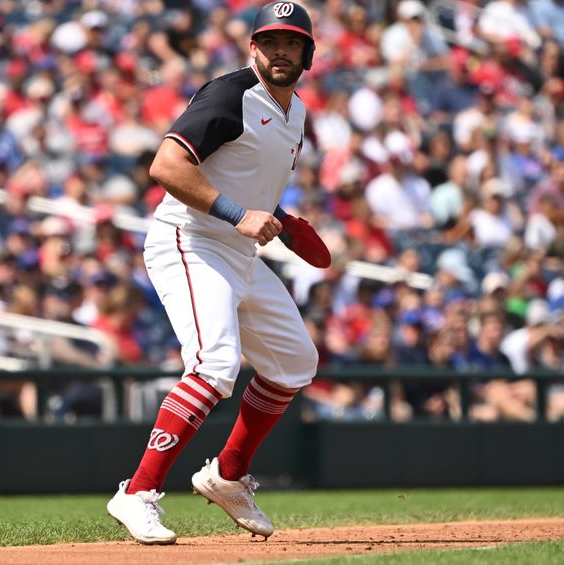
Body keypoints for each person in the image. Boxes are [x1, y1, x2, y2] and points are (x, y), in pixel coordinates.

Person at [107, 2, 324, 545]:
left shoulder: (295, 111)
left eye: (291, 42)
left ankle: (227, 476)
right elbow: (166, 167)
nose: (280, 51)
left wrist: (282, 221)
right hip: (192, 239)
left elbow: (250, 182)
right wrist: (237, 213)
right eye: (270, 41)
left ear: (307, 53)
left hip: (241, 252)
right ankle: (137, 493)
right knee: (216, 363)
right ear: (253, 47)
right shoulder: (232, 93)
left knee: (295, 362)